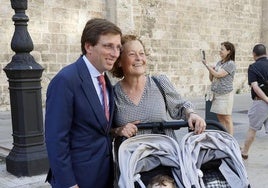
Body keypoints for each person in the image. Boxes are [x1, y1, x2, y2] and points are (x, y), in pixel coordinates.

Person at [110, 34, 206, 187]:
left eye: (141, 53)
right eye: (132, 54)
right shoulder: (113, 93)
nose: (139, 58)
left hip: (165, 158)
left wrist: (191, 114)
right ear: (120, 62)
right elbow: (106, 129)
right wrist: (119, 130)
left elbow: (180, 106)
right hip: (132, 164)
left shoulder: (159, 83)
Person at [45, 18, 122, 188]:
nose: (115, 53)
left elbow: (98, 128)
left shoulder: (104, 80)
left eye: (118, 47)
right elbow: (56, 139)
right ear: (89, 47)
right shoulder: (66, 80)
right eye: (108, 46)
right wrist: (68, 183)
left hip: (103, 176)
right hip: (77, 180)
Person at [202, 42, 236, 135]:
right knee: (220, 117)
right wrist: (211, 70)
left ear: (229, 51)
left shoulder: (231, 64)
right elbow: (212, 78)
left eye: (222, 49)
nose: (220, 51)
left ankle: (231, 139)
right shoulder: (219, 63)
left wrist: (207, 66)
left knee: (227, 118)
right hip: (217, 94)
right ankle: (224, 136)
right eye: (220, 49)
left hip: (225, 94)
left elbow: (218, 74)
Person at [241, 44, 268, 160]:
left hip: (260, 103)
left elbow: (255, 87)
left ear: (254, 54)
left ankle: (245, 152)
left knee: (252, 128)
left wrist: (266, 99)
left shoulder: (253, 67)